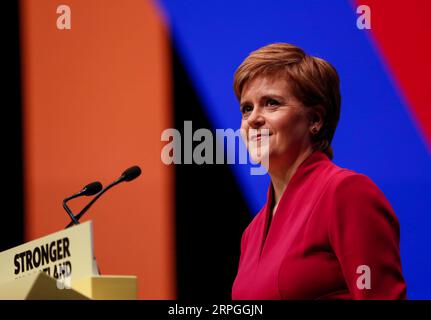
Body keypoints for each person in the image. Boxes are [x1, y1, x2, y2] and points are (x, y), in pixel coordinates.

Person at [231, 43, 407, 299]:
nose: (253, 119)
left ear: (315, 120)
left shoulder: (346, 193)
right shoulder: (252, 232)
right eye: (247, 108)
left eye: (271, 103)